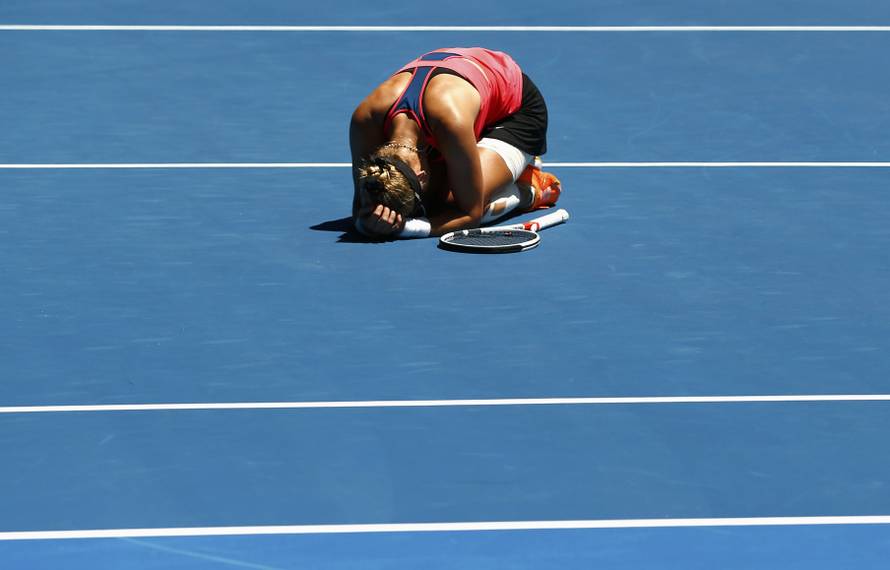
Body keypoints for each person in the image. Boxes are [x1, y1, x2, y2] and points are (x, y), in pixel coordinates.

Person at [350, 47, 562, 238]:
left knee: (454, 202)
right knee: (430, 200)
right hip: (457, 106)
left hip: (514, 112)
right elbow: (360, 205)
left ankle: (529, 189)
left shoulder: (451, 121)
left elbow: (470, 214)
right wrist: (366, 221)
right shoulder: (365, 120)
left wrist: (405, 227)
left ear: (422, 175)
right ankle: (503, 169)